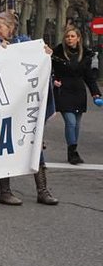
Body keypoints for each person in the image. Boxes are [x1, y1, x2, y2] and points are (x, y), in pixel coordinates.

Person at [0, 11, 57, 206]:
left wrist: (45, 56)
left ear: (10, 28)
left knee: (34, 144)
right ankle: (5, 191)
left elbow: (41, 68)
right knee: (7, 147)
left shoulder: (26, 44)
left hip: (25, 106)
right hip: (4, 108)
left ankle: (42, 191)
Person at [51, 24, 101, 165]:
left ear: (78, 38)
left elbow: (89, 77)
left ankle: (71, 150)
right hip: (63, 90)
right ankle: (73, 152)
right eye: (67, 36)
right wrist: (53, 80)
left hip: (78, 91)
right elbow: (48, 70)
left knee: (77, 124)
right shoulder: (57, 53)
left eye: (72, 36)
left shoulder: (85, 54)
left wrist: (95, 93)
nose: (69, 39)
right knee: (70, 122)